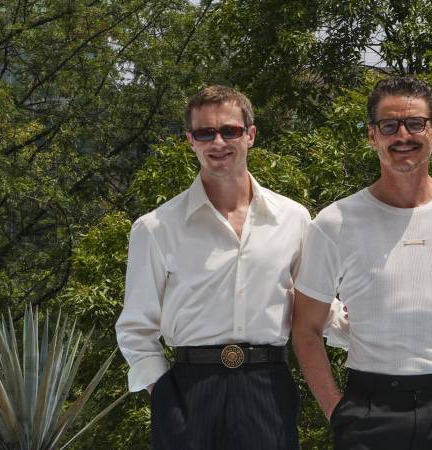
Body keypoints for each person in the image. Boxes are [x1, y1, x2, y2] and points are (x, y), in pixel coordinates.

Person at [289, 76, 432, 450]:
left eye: (415, 124)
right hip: (368, 405)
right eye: (389, 125)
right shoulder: (334, 223)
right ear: (372, 135)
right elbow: (305, 330)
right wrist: (338, 413)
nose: (403, 136)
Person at [115, 85, 309, 449]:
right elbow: (135, 327)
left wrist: (370, 332)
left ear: (250, 135)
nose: (218, 142)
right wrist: (163, 393)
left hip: (268, 387)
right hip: (188, 392)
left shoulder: (294, 219)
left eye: (229, 131)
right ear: (191, 141)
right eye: (205, 132)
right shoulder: (155, 228)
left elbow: (315, 309)